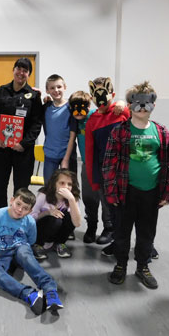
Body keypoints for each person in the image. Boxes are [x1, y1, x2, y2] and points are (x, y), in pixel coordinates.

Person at [102, 81, 169, 289]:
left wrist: (168, 190)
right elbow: (108, 163)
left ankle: (142, 265)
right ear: (129, 104)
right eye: (137, 103)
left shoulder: (161, 131)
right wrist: (111, 192)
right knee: (122, 232)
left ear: (153, 104)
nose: (142, 107)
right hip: (125, 192)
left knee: (147, 232)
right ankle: (120, 264)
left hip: (151, 193)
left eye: (147, 103)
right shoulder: (119, 131)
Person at [0, 188, 63, 315]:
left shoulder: (30, 221)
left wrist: (21, 248)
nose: (20, 210)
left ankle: (49, 289)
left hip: (20, 248)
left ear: (30, 211)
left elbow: (31, 240)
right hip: (1, 252)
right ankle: (29, 294)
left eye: (25, 208)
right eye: (18, 204)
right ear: (12, 200)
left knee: (24, 254)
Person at [0, 58, 43, 210]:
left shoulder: (34, 96)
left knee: (21, 189)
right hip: (1, 148)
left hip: (23, 151)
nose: (21, 73)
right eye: (19, 69)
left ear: (29, 74)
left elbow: (37, 123)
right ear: (13, 70)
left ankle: (19, 218)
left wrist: (24, 143)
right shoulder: (1, 91)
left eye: (25, 70)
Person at [84, 77, 130, 254]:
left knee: (129, 209)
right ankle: (116, 239)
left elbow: (140, 116)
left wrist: (123, 103)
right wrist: (94, 179)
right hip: (105, 173)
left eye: (105, 94)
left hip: (125, 171)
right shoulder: (92, 120)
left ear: (112, 93)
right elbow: (90, 153)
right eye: (96, 95)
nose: (101, 100)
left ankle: (145, 245)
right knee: (111, 207)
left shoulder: (121, 112)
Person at [62, 91, 109, 244]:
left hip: (103, 164)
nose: (78, 111)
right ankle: (92, 226)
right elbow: (72, 139)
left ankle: (108, 227)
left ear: (89, 105)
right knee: (89, 197)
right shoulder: (76, 119)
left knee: (105, 197)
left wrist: (121, 104)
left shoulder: (97, 115)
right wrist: (66, 159)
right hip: (87, 165)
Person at [30, 169, 82, 260]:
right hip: (41, 229)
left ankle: (59, 243)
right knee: (55, 219)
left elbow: (77, 223)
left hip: (56, 232)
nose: (66, 187)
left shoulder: (72, 198)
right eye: (62, 183)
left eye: (69, 184)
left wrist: (72, 200)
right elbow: (30, 218)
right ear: (54, 184)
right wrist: (47, 213)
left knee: (71, 215)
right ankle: (37, 244)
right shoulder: (43, 195)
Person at [42, 74, 77, 182]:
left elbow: (72, 136)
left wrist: (66, 159)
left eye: (59, 87)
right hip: (50, 155)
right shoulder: (45, 108)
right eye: (52, 88)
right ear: (47, 90)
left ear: (65, 87)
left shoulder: (72, 108)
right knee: (49, 189)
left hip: (67, 156)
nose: (56, 90)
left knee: (68, 189)